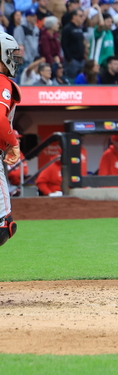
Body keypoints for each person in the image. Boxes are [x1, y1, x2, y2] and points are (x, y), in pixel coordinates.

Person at [0, 33, 22, 246]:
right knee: (3, 227)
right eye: (10, 55)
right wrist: (14, 144)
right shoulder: (1, 81)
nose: (13, 60)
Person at [6, 131, 27, 197]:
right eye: (16, 138)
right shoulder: (3, 154)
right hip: (6, 184)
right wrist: (16, 177)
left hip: (15, 184)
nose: (19, 140)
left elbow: (25, 170)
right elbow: (7, 173)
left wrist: (15, 178)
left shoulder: (19, 153)